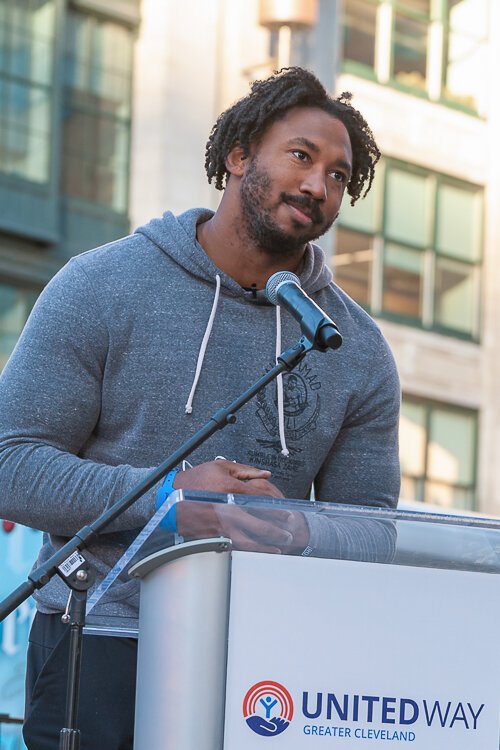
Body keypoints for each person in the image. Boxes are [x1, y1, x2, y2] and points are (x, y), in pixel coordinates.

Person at [0, 67, 400, 749]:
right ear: (239, 154)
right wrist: (171, 497)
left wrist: (294, 531)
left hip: (273, 664)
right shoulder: (100, 286)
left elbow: (374, 531)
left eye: (339, 175)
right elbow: (12, 465)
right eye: (301, 156)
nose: (317, 186)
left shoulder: (353, 347)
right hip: (99, 640)